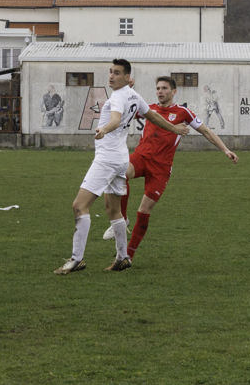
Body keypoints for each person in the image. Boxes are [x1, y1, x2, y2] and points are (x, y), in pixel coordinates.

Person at [54, 59, 190, 275]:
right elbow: (153, 116)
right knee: (113, 210)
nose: (111, 76)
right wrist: (174, 128)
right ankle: (123, 257)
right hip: (121, 158)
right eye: (110, 72)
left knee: (79, 206)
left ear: (127, 77)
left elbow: (116, 120)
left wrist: (103, 130)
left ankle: (76, 259)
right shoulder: (134, 95)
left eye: (116, 73)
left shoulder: (118, 97)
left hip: (107, 160)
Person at [104, 76, 238, 260]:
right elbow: (122, 109)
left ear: (173, 92)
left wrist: (225, 149)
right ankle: (123, 218)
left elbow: (206, 131)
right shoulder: (148, 108)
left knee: (144, 211)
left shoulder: (183, 112)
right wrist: (126, 90)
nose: (160, 91)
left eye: (164, 88)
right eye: (158, 88)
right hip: (141, 157)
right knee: (120, 174)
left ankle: (128, 255)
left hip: (161, 168)